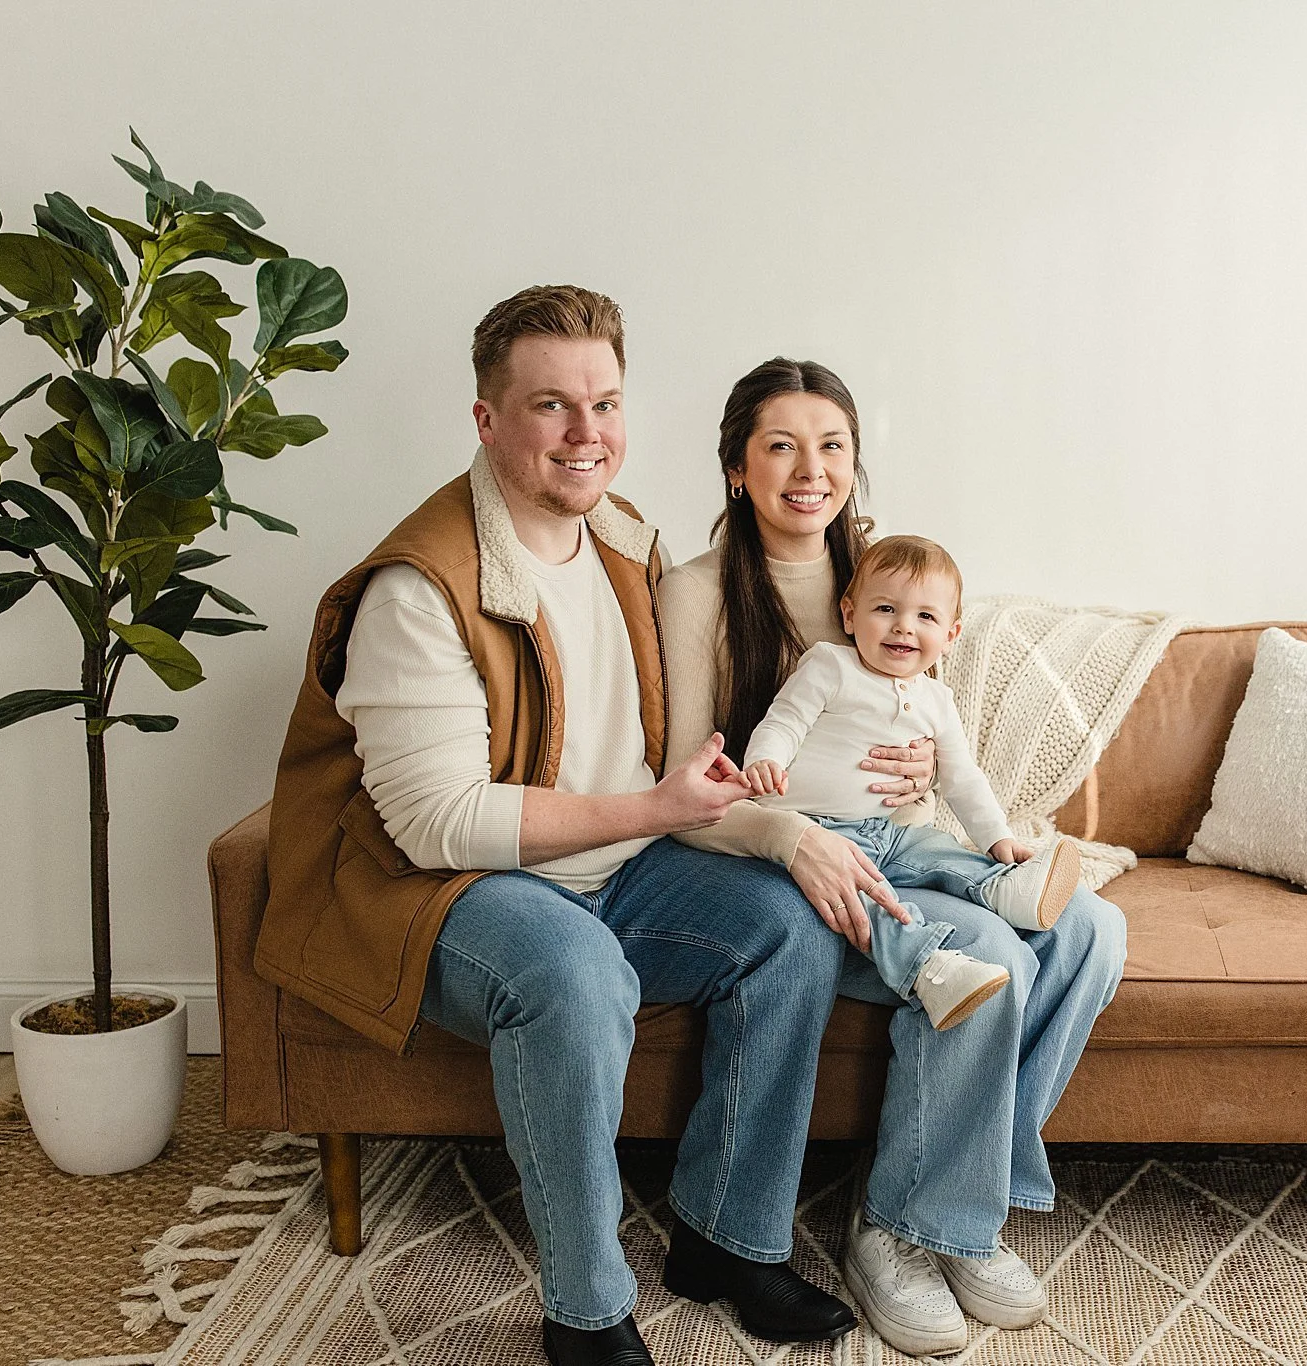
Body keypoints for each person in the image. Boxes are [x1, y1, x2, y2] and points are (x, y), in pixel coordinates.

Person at [257, 289, 872, 1366]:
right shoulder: (418, 587)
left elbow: (697, 708)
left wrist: (869, 755)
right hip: (444, 889)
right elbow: (436, 821)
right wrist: (655, 807)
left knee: (788, 924)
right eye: (551, 405)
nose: (586, 433)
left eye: (604, 402)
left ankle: (726, 1240)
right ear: (488, 420)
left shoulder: (626, 540)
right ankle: (585, 1312)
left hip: (616, 866)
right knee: (576, 972)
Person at [659, 358, 1128, 1357]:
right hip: (778, 860)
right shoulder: (696, 592)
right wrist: (796, 832)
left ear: (854, 464)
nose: (808, 468)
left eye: (830, 445)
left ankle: (949, 1202)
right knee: (984, 963)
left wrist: (917, 775)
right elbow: (685, 791)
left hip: (903, 844)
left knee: (1092, 926)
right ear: (736, 467)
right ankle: (907, 1231)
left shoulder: (880, 572)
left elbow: (929, 723)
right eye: (779, 444)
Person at [739, 534, 1087, 1031]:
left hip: (885, 831)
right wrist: (765, 760)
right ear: (849, 615)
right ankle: (929, 968)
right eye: (885, 608)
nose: (903, 626)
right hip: (815, 832)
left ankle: (1003, 888)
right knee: (865, 901)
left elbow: (963, 777)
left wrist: (997, 838)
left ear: (951, 634)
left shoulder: (937, 701)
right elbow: (784, 721)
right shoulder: (830, 665)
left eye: (926, 616)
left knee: (938, 850)